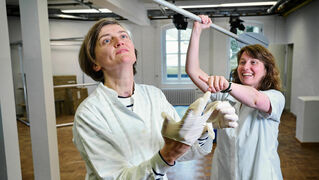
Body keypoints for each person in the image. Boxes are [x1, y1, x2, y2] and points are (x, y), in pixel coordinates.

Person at [72, 18, 238, 180]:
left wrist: (202, 130)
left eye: (123, 36)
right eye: (107, 40)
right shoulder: (89, 113)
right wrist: (167, 156)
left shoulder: (154, 96)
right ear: (95, 63)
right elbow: (115, 177)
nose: (119, 41)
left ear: (134, 53)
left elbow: (183, 152)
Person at [186, 15, 285, 180]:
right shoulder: (226, 96)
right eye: (242, 62)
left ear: (267, 69)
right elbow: (193, 71)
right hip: (227, 173)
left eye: (254, 62)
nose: (246, 67)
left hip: (260, 174)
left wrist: (227, 85)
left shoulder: (275, 97)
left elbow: (255, 99)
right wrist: (196, 31)